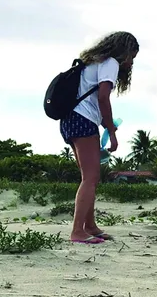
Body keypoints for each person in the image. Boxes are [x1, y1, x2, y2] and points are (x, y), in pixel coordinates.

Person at [60, 31, 140, 244]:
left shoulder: (92, 63)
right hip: (83, 121)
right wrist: (112, 133)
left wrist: (106, 124)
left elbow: (95, 99)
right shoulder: (110, 63)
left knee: (88, 177)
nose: (131, 62)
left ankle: (90, 226)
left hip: (71, 120)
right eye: (132, 56)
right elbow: (103, 97)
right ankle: (77, 231)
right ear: (124, 51)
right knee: (91, 178)